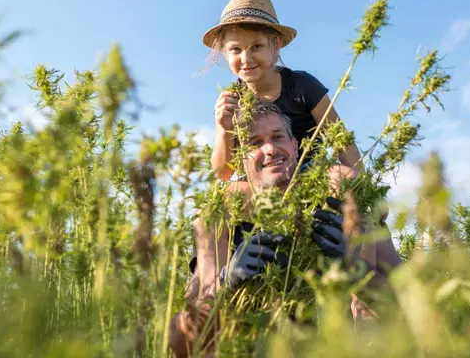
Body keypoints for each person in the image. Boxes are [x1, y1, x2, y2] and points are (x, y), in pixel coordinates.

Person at [168, 100, 402, 357]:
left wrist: (359, 273)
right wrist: (226, 281)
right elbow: (183, 344)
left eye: (278, 136)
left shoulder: (342, 199)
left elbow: (405, 301)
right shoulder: (222, 217)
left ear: (296, 145)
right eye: (255, 143)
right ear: (239, 159)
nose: (269, 149)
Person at [201, 0, 363, 190]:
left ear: (275, 45)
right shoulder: (232, 102)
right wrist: (224, 129)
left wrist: (360, 183)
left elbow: (342, 141)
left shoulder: (303, 86)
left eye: (256, 46)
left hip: (308, 175)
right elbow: (223, 173)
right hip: (261, 180)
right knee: (230, 193)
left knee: (341, 175)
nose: (246, 58)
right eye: (236, 49)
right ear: (224, 52)